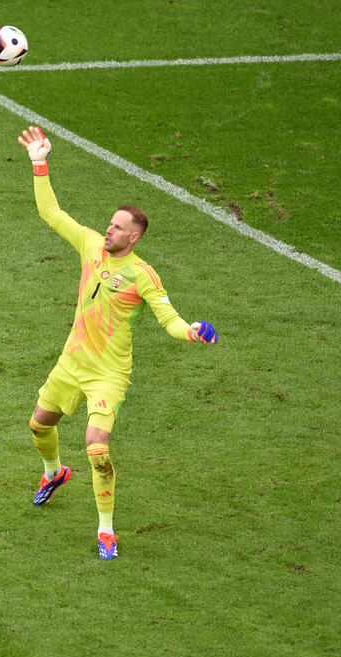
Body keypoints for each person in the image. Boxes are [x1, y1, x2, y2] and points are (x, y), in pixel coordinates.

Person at [16, 126, 218, 560]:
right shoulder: (90, 245)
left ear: (135, 237)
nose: (108, 231)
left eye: (118, 228)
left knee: (97, 448)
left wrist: (192, 330)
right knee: (38, 425)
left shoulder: (143, 275)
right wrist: (39, 162)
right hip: (72, 362)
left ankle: (106, 531)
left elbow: (169, 320)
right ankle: (53, 473)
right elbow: (51, 212)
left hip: (109, 373)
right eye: (109, 224)